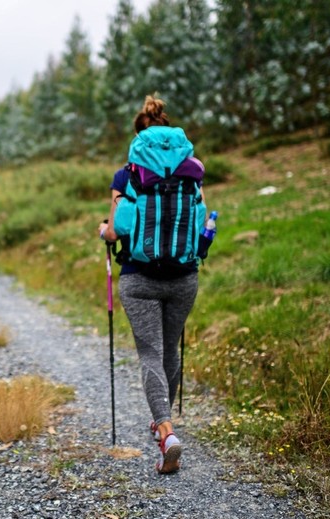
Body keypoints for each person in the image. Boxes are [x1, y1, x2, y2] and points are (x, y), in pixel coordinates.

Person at [98, 94, 206, 474]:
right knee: (170, 352)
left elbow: (117, 230)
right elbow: (199, 222)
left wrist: (104, 232)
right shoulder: (191, 172)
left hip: (139, 278)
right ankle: (164, 420)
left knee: (149, 353)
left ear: (137, 138)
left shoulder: (127, 175)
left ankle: (165, 431)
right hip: (183, 277)